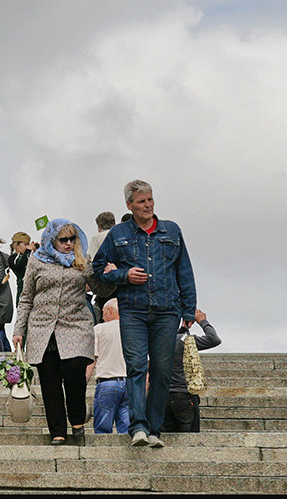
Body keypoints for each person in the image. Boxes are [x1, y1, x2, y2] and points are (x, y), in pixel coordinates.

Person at [92, 179, 197, 448]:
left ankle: (154, 429)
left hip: (167, 310)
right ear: (129, 205)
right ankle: (138, 426)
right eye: (141, 201)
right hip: (133, 311)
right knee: (137, 367)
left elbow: (184, 271)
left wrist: (188, 308)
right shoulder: (117, 234)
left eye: (150, 199)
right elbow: (98, 266)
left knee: (161, 372)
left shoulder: (172, 230)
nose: (148, 205)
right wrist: (123, 275)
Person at [13, 218, 111, 446]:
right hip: (42, 328)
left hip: (75, 326)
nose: (68, 243)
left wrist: (107, 274)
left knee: (75, 373)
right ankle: (57, 431)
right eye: (63, 239)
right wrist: (20, 329)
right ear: (52, 240)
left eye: (72, 239)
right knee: (50, 382)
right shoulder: (36, 261)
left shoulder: (82, 261)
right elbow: (26, 298)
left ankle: (76, 421)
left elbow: (102, 289)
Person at [164, 308, 220, 433]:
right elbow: (214, 339)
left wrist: (183, 329)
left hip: (163, 398)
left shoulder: (158, 341)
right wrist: (203, 321)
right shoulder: (187, 341)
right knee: (190, 438)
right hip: (185, 396)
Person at [87, 298, 130, 434]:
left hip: (107, 383)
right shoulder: (133, 329)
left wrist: (83, 384)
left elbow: (91, 361)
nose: (102, 316)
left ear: (110, 311)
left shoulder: (99, 329)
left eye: (104, 312)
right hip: (129, 384)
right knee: (127, 430)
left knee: (102, 431)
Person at [8, 232, 33, 302]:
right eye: (25, 244)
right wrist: (28, 251)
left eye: (28, 244)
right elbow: (20, 266)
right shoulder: (12, 258)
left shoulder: (31, 256)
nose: (27, 247)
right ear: (17, 245)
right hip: (23, 290)